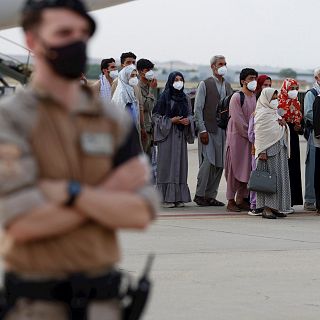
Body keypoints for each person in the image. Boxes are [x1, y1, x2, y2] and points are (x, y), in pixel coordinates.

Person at [0, 1, 158, 319]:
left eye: (82, 33)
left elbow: (142, 211)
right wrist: (108, 191)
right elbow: (23, 224)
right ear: (31, 40)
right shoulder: (11, 120)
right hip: (36, 306)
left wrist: (70, 193)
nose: (76, 42)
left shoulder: (111, 121)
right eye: (63, 32)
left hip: (103, 305)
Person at [194, 55, 233, 207]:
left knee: (220, 164)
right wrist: (202, 130)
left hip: (223, 130)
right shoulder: (205, 84)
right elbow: (198, 109)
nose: (223, 66)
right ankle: (200, 194)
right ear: (213, 66)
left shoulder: (228, 85)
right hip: (209, 130)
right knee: (208, 162)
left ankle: (211, 195)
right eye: (220, 64)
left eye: (225, 63)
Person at [152, 72, 195, 208]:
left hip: (180, 136)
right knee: (166, 166)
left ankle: (178, 197)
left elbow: (190, 114)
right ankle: (165, 198)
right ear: (170, 81)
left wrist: (189, 121)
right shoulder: (164, 97)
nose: (179, 82)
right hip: (167, 136)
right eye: (176, 80)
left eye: (181, 79)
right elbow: (156, 117)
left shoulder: (185, 98)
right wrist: (171, 120)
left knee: (180, 166)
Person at [254, 88, 291, 219]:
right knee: (269, 181)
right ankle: (267, 208)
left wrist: (283, 124)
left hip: (279, 150)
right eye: (273, 98)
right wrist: (262, 151)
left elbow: (279, 128)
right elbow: (259, 134)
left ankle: (276, 207)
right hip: (268, 152)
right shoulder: (262, 113)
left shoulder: (274, 113)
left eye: (276, 98)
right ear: (266, 99)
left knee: (279, 179)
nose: (275, 101)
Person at [225, 68, 258, 212]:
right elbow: (238, 120)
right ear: (243, 80)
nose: (253, 81)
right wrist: (251, 133)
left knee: (247, 168)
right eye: (251, 78)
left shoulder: (254, 96)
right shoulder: (237, 97)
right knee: (233, 168)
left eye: (255, 78)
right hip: (237, 139)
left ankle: (241, 199)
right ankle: (230, 200)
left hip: (250, 139)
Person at [278, 78, 303, 210]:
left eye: (295, 88)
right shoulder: (279, 103)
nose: (293, 91)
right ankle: (282, 200)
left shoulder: (297, 103)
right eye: (291, 88)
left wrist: (299, 127)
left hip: (293, 138)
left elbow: (300, 121)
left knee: (293, 168)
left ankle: (292, 200)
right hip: (282, 137)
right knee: (284, 168)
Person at [303, 67, 320, 211]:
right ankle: (310, 199)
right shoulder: (312, 93)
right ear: (317, 78)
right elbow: (308, 113)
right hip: (315, 134)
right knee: (313, 166)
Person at [137, 58, 157, 157]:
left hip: (150, 129)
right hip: (143, 129)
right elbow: (146, 106)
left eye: (151, 69)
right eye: (147, 70)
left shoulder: (149, 86)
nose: (150, 72)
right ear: (140, 72)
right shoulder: (137, 87)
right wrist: (152, 90)